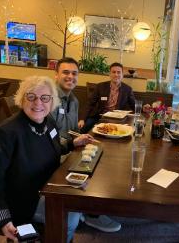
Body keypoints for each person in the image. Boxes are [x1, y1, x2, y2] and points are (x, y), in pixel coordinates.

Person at [0, 76, 94, 242]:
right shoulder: (4, 134)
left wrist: (72, 143)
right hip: (22, 202)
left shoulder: (48, 122)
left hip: (46, 189)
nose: (38, 103)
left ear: (52, 101)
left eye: (45, 98)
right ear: (22, 98)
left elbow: (53, 149)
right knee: (70, 213)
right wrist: (2, 219)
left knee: (78, 199)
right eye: (31, 96)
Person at [50, 57, 121, 233]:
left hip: (69, 148)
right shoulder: (48, 99)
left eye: (74, 73)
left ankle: (91, 209)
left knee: (104, 158)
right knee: (97, 169)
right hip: (55, 153)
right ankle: (90, 213)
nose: (70, 77)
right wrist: (72, 143)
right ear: (56, 74)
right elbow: (47, 140)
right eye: (65, 72)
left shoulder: (73, 100)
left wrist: (81, 138)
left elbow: (73, 129)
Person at [79, 62, 135, 133]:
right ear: (110, 74)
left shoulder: (127, 89)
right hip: (99, 117)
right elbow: (90, 104)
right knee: (83, 127)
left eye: (118, 72)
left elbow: (134, 105)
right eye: (113, 72)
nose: (116, 74)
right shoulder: (100, 86)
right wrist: (82, 119)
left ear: (122, 75)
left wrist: (143, 109)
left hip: (118, 119)